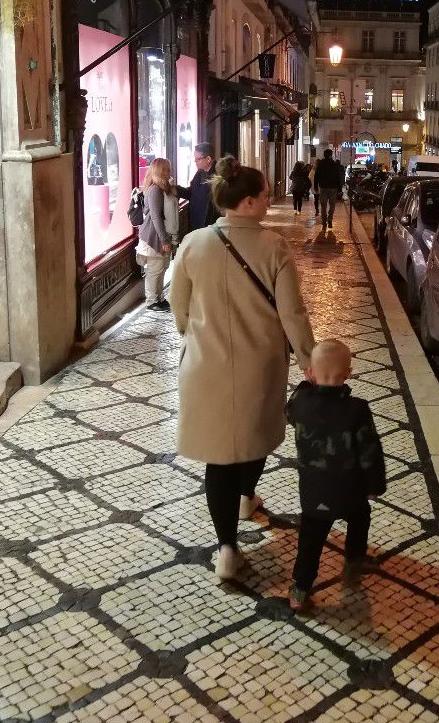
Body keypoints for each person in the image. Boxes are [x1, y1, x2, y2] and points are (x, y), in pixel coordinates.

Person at [170, 158, 315, 581]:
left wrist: (199, 333)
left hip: (205, 368)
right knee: (253, 439)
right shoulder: (274, 248)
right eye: (266, 194)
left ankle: (227, 549)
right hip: (261, 366)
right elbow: (292, 313)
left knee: (220, 457)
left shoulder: (193, 244)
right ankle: (247, 495)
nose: (271, 199)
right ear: (248, 202)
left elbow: (179, 313)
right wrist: (309, 358)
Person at [286, 338, 386, 611]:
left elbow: (289, 409)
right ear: (348, 374)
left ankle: (300, 588)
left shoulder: (300, 404)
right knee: (360, 516)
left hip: (313, 491)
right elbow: (370, 451)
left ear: (309, 374)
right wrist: (375, 484)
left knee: (310, 538)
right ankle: (354, 560)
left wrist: (308, 382)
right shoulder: (357, 409)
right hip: (349, 491)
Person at [137, 158, 177, 311]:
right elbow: (155, 217)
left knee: (162, 267)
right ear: (159, 171)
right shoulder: (155, 189)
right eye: (166, 169)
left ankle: (159, 297)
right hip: (153, 236)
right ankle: (152, 300)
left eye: (169, 169)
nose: (169, 172)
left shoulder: (164, 187)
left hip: (161, 235)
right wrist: (164, 239)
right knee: (155, 268)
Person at [177, 142, 219, 231]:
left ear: (208, 159)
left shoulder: (218, 176)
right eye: (195, 158)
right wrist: (175, 189)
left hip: (209, 225)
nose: (195, 161)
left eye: (198, 158)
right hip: (196, 221)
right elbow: (191, 193)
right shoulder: (200, 172)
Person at [314, 149, 340, 230]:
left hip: (323, 187)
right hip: (333, 188)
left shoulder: (321, 164)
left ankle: (324, 220)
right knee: (332, 205)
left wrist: (315, 186)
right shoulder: (334, 164)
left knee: (323, 205)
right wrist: (339, 188)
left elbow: (316, 175)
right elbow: (338, 176)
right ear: (330, 155)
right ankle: (330, 219)